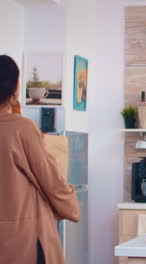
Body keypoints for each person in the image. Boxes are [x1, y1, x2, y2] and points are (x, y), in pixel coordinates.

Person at [0, 55, 80, 264]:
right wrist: (71, 204)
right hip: (24, 238)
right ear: (15, 88)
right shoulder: (21, 128)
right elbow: (50, 179)